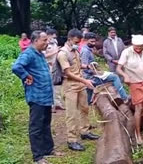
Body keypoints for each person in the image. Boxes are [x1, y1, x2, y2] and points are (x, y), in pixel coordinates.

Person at [12, 31, 62, 164]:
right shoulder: (28, 53)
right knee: (36, 126)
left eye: (47, 40)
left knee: (45, 124)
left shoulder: (39, 54)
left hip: (45, 96)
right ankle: (38, 156)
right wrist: (26, 76)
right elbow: (16, 67)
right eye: (44, 40)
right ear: (35, 41)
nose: (47, 43)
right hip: (36, 96)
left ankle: (48, 149)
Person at [57, 29, 99, 151]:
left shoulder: (75, 50)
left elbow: (77, 66)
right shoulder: (63, 53)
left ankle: (85, 132)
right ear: (69, 38)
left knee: (84, 108)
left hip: (80, 84)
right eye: (76, 40)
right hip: (70, 86)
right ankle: (72, 140)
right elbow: (68, 73)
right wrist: (85, 81)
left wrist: (87, 66)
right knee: (71, 114)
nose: (78, 43)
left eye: (80, 41)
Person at [80, 32, 129, 104]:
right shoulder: (85, 51)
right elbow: (83, 66)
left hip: (91, 74)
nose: (93, 43)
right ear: (85, 40)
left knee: (89, 91)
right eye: (91, 42)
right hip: (89, 76)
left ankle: (88, 102)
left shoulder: (88, 49)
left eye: (94, 41)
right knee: (114, 77)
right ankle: (125, 98)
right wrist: (93, 70)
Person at [43, 29, 64, 112]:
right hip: (49, 65)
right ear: (48, 35)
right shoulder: (44, 44)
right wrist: (55, 51)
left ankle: (58, 103)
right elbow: (44, 55)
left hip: (56, 66)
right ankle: (51, 106)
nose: (54, 37)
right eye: (53, 36)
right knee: (50, 86)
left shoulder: (55, 42)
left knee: (57, 84)